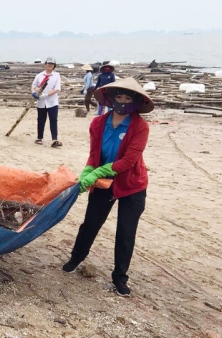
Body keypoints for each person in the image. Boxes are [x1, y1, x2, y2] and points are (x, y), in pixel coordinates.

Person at [63, 77, 154, 298]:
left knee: (126, 231)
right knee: (91, 223)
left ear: (135, 102)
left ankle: (120, 277)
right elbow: (95, 154)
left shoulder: (140, 126)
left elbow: (129, 161)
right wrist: (88, 171)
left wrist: (99, 171)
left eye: (128, 97)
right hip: (104, 184)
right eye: (119, 97)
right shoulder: (97, 124)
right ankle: (76, 258)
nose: (122, 101)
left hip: (132, 184)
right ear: (111, 99)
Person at [31, 57, 62, 148]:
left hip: (52, 101)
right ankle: (39, 138)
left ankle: (54, 140)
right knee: (41, 120)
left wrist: (46, 95)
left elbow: (57, 88)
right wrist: (33, 92)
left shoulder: (56, 75)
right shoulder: (39, 75)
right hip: (40, 102)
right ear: (45, 64)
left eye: (52, 64)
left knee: (53, 120)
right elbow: (34, 85)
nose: (50, 65)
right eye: (49, 64)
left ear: (54, 66)